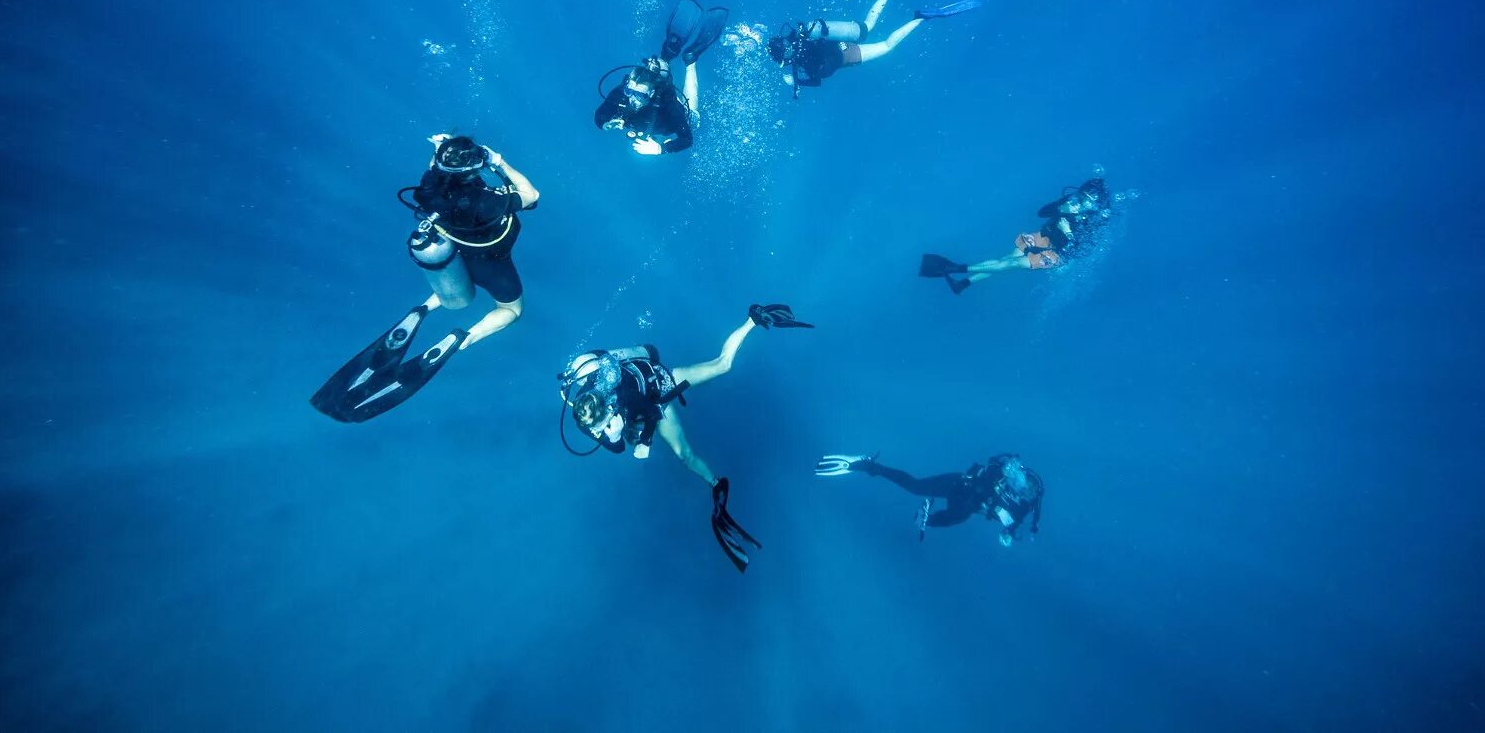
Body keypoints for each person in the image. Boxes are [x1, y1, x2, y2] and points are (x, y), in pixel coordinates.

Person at [558, 303, 813, 571]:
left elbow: (650, 410)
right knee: (670, 449)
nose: (599, 431)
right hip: (632, 409)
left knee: (720, 370)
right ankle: (715, 485)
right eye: (596, 430)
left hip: (659, 385)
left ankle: (754, 318)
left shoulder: (624, 397)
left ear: (607, 408)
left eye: (603, 425)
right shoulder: (585, 419)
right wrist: (614, 436)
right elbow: (616, 446)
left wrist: (645, 440)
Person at [311, 134, 541, 422]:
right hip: (494, 265)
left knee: (458, 289)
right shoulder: (487, 203)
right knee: (510, 310)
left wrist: (441, 153)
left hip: (454, 258)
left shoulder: (429, 187)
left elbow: (436, 170)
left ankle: (423, 309)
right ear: (473, 168)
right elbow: (532, 196)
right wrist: (498, 161)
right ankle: (464, 338)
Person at [766, 0, 981, 95]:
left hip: (846, 56)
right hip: (840, 39)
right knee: (867, 26)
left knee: (887, 46)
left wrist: (797, 82)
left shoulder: (797, 62)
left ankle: (920, 18)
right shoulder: (798, 37)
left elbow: (817, 80)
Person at [919, 176, 1112, 295]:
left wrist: (1068, 233)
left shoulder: (1096, 220)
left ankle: (954, 268)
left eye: (1087, 200)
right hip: (1045, 236)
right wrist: (1060, 207)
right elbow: (1041, 213)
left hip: (1059, 254)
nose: (1081, 202)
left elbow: (1083, 250)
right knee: (1005, 261)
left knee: (1010, 264)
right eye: (1081, 196)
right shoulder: (1070, 201)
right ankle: (963, 284)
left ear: (1096, 204)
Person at [815, 452, 1044, 547]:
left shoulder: (1022, 509)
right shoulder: (1003, 475)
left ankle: (926, 518)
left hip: (964, 503)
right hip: (959, 485)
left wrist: (1007, 534)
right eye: (1025, 486)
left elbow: (1009, 530)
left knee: (959, 515)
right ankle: (868, 465)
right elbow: (990, 468)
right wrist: (992, 497)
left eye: (1028, 492)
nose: (1024, 490)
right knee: (915, 487)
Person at [595, 0, 729, 155]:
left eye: (639, 95)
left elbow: (687, 139)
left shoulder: (668, 104)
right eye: (630, 92)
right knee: (654, 73)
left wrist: (661, 149)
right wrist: (606, 124)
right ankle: (668, 53)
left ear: (651, 94)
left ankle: (690, 61)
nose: (632, 98)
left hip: (672, 112)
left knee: (693, 118)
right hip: (653, 116)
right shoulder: (622, 93)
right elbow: (599, 116)